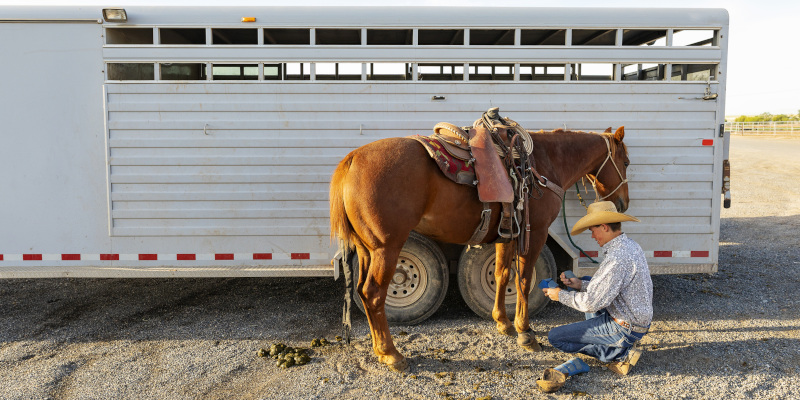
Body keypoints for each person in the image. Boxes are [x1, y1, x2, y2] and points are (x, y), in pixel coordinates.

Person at [542, 201, 653, 376]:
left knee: (555, 337)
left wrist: (559, 295)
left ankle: (618, 354)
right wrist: (579, 284)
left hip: (626, 327)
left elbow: (591, 303)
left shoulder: (617, 258)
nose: (593, 236)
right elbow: (611, 286)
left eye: (593, 231)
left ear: (604, 227)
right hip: (636, 319)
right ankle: (614, 345)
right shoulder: (629, 246)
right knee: (587, 281)